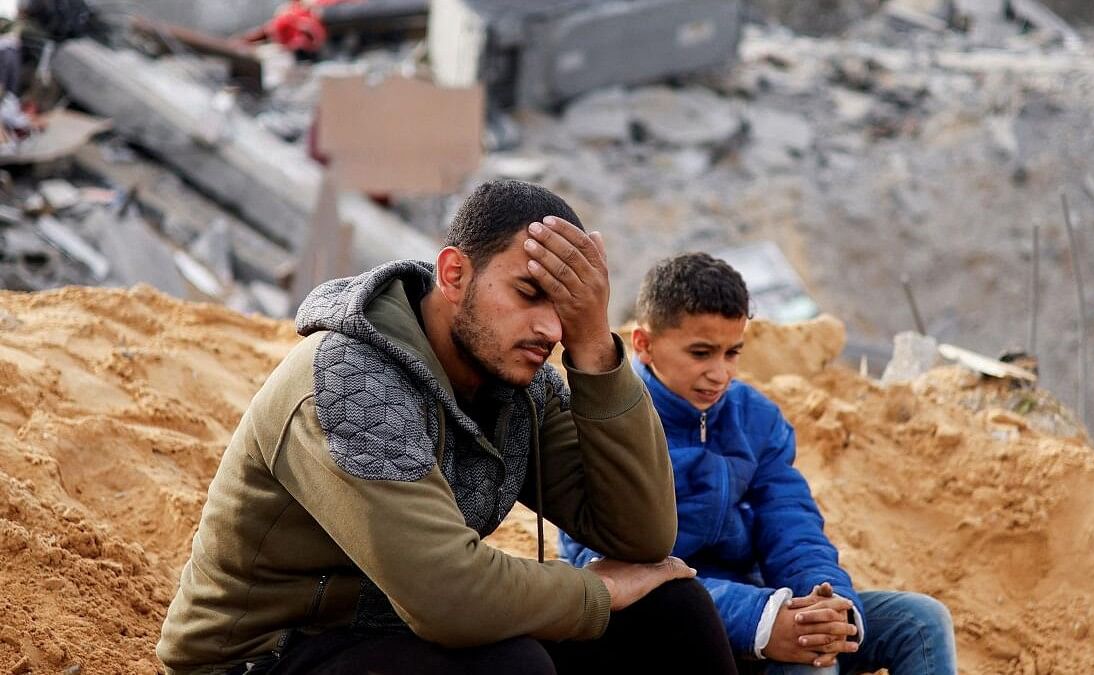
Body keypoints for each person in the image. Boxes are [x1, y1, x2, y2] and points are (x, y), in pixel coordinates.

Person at [157, 181, 739, 675]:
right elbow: (450, 598)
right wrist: (599, 591)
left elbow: (641, 536)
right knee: (513, 666)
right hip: (266, 655)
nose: (546, 327)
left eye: (562, 307)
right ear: (454, 273)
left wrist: (593, 346)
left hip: (398, 632)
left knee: (672, 610)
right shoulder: (349, 381)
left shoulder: (521, 376)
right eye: (528, 293)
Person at [560, 252, 958, 675]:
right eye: (701, 353)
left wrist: (827, 600)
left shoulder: (756, 417)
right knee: (812, 661)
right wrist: (765, 622)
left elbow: (792, 524)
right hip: (672, 626)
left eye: (732, 353)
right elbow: (606, 567)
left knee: (919, 621)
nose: (720, 373)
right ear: (644, 343)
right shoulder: (607, 422)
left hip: (767, 604)